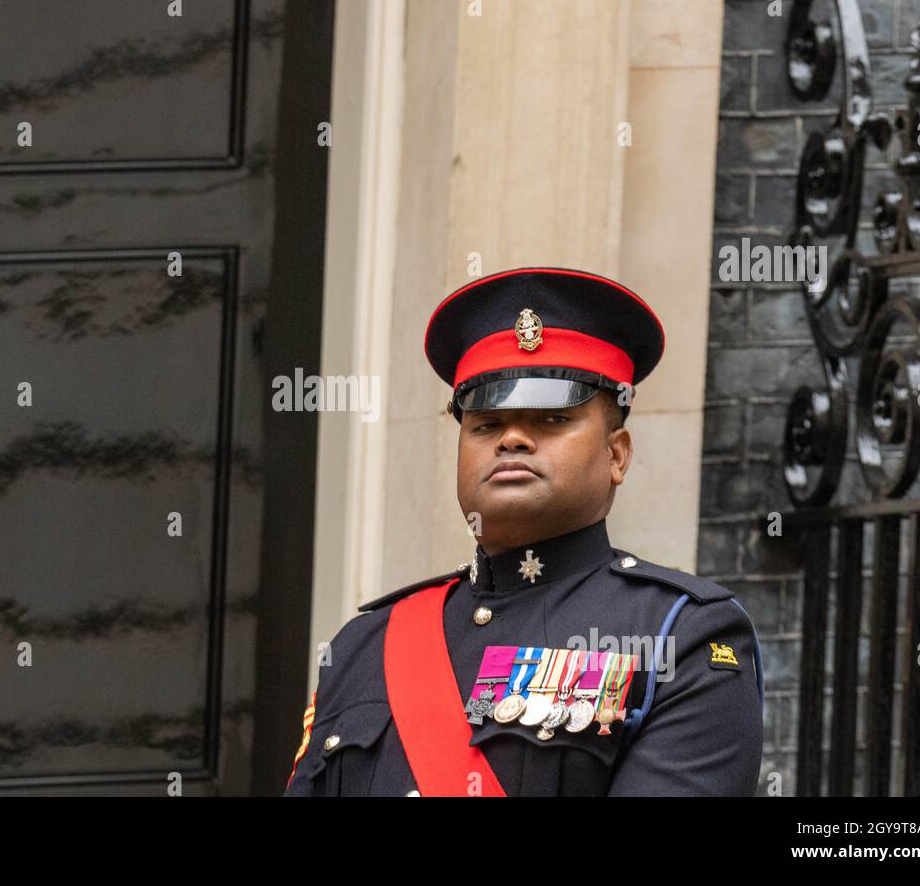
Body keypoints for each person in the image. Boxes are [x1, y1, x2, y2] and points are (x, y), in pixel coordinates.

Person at [283, 267, 763, 797]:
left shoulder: (682, 635)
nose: (512, 437)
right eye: (486, 424)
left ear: (616, 454)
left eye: (550, 421)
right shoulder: (364, 643)